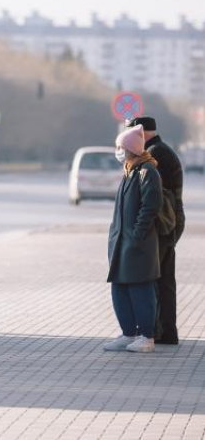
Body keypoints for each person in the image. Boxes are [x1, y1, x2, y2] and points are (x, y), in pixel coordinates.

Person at [126, 116, 185, 345]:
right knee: (164, 279)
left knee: (155, 278)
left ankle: (158, 331)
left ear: (141, 133)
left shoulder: (154, 154)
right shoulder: (160, 149)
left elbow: (150, 196)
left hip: (163, 223)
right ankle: (167, 331)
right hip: (170, 221)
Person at [104, 125, 162, 354]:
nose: (117, 151)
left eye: (120, 147)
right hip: (121, 243)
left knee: (140, 289)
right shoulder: (129, 171)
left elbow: (150, 208)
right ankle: (128, 333)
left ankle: (147, 336)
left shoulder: (148, 172)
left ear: (130, 148)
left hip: (137, 244)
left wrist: (137, 236)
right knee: (120, 288)